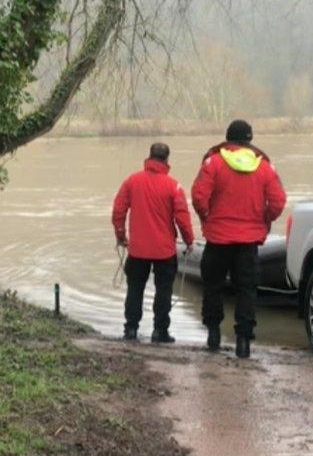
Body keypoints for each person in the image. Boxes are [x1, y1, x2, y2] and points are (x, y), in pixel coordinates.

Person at [192, 120, 286, 358]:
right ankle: (243, 342)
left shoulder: (213, 162)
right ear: (250, 139)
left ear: (227, 138)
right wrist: (264, 220)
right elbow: (278, 202)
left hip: (217, 239)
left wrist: (207, 218)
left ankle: (213, 335)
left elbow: (198, 197)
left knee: (212, 286)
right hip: (248, 242)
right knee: (246, 291)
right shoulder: (264, 166)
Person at [112, 143, 195, 343]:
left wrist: (121, 236)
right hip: (164, 251)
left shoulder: (132, 181)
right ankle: (160, 332)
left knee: (135, 290)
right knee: (164, 291)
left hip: (137, 249)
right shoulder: (173, 186)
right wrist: (189, 241)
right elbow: (182, 218)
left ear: (149, 157)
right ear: (167, 159)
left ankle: (131, 329)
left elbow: (118, 211)